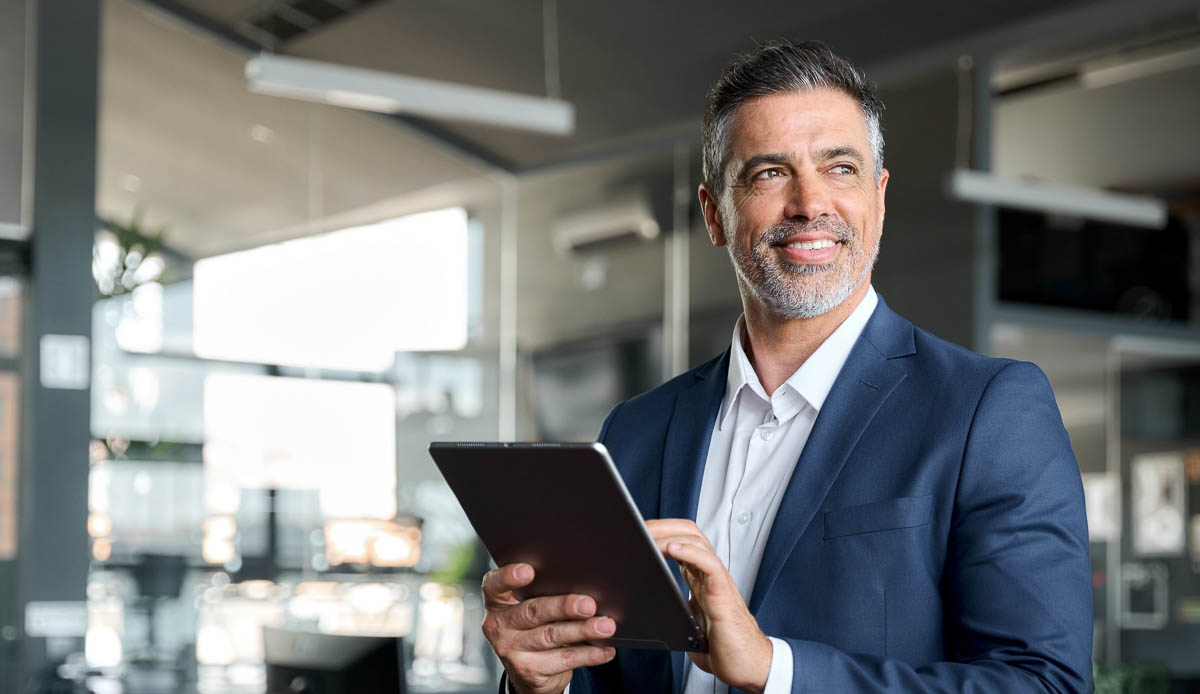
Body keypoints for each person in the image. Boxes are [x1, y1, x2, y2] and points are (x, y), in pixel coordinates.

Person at [480, 39, 1093, 694]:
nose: (809, 203)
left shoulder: (988, 410)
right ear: (715, 213)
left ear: (879, 200)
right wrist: (541, 684)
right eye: (770, 172)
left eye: (840, 169)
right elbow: (609, 674)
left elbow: (1044, 683)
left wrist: (779, 672)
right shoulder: (637, 432)